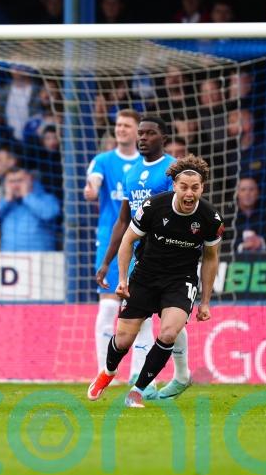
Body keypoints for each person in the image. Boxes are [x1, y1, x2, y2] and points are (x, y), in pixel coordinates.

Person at [88, 155, 222, 408]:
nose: (189, 193)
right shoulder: (153, 207)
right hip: (146, 276)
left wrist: (205, 302)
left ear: (202, 187)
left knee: (169, 332)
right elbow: (127, 241)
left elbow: (211, 258)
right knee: (124, 338)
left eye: (195, 187)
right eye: (184, 186)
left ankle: (137, 390)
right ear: (174, 185)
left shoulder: (210, 218)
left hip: (180, 280)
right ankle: (108, 371)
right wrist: (124, 280)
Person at [95, 116, 191, 400]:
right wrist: (107, 261)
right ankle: (147, 378)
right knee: (147, 319)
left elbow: (187, 210)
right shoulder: (132, 173)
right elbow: (123, 220)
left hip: (174, 257)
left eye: (150, 133)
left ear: (164, 136)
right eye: (141, 133)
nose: (143, 138)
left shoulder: (173, 170)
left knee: (168, 318)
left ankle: (175, 374)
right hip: (142, 258)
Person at [83, 109, 141, 375]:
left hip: (143, 239)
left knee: (141, 306)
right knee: (108, 304)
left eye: (127, 125)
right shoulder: (103, 160)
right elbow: (94, 182)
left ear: (137, 131)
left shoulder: (145, 164)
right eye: (118, 125)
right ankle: (104, 370)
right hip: (111, 239)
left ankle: (138, 374)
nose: (121, 129)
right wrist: (92, 189)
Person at [0, 167, 59, 251]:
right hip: (8, 258)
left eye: (20, 180)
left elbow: (49, 214)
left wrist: (27, 197)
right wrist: (6, 201)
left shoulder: (46, 198)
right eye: (11, 182)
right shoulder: (2, 202)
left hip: (40, 258)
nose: (16, 186)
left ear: (30, 180)